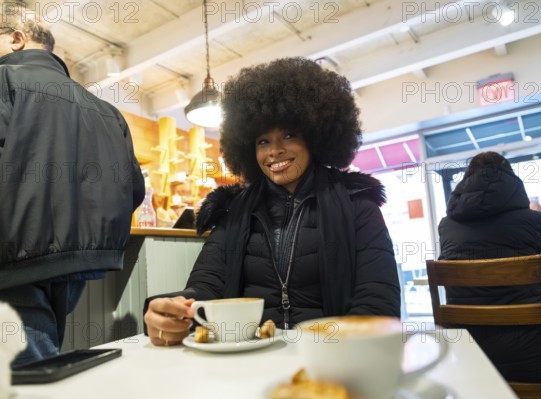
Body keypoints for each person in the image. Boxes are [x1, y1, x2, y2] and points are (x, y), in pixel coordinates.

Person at [143, 57, 401, 346]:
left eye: (289, 136)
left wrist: (334, 354)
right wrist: (176, 311)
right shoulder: (234, 211)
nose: (275, 151)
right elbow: (207, 286)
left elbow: (378, 301)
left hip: (330, 360)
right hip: (249, 358)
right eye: (262, 141)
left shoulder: (357, 205)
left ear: (315, 137)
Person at [0, 6, 144, 366]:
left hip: (13, 260)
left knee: (21, 375)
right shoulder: (107, 112)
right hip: (77, 264)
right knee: (38, 360)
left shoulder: (4, 83)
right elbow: (135, 190)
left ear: (17, 39)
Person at [437, 151, 541, 398]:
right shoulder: (535, 222)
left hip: (470, 355)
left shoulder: (447, 227)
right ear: (511, 183)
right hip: (536, 354)